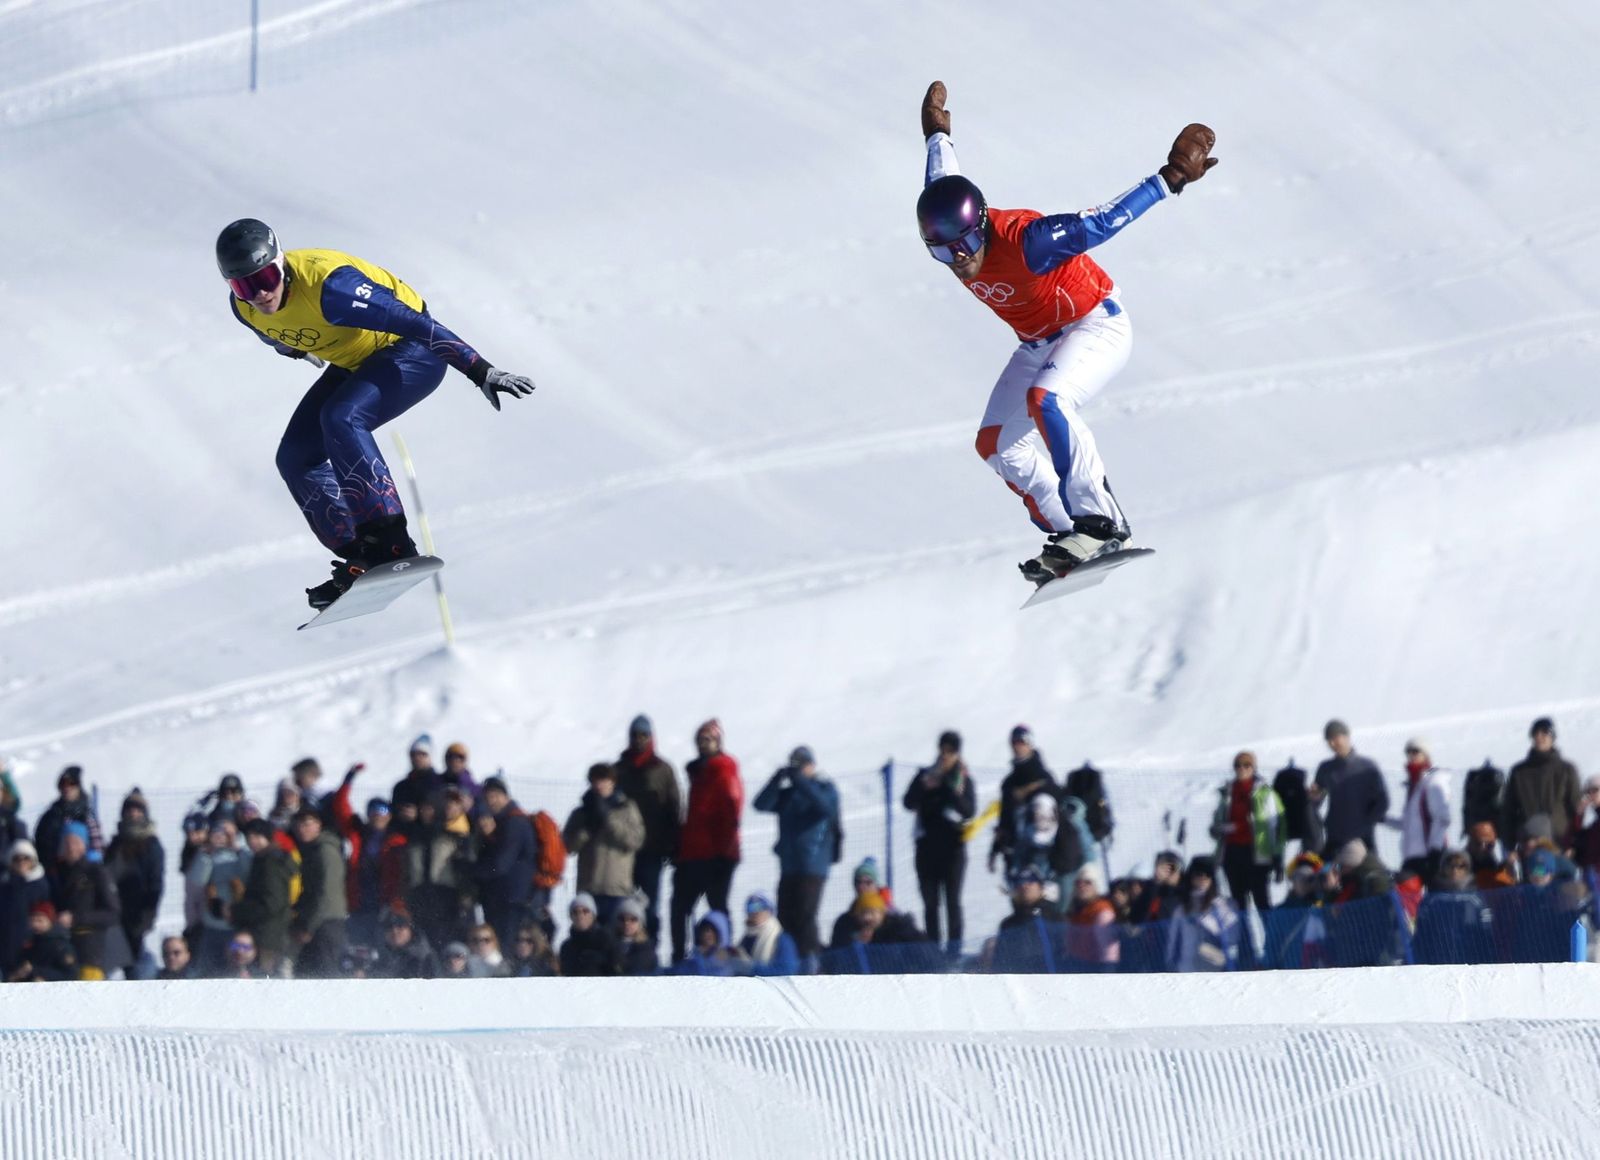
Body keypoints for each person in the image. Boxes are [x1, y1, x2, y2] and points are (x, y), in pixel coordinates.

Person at [915, 81, 1217, 584]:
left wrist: (1171, 178)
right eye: (942, 253)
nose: (959, 261)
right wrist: (935, 132)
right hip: (1039, 340)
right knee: (994, 445)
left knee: (1047, 399)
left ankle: (1101, 522)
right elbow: (941, 175)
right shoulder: (952, 224)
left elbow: (1103, 222)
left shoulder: (1029, 242)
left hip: (1095, 321)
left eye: (965, 245)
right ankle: (1069, 532)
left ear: (983, 225)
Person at [215, 218, 536, 606]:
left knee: (342, 417)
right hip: (356, 361)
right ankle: (362, 557)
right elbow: (278, 335)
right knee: (296, 458)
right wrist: (295, 349)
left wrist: (480, 370)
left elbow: (420, 324)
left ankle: (391, 544)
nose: (261, 292)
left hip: (413, 352)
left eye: (265, 277)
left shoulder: (331, 287)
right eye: (244, 285)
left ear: (281, 263)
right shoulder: (244, 310)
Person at [752, 745, 841, 966]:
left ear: (812, 765)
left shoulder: (825, 788)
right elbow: (760, 804)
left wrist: (801, 781)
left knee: (805, 915)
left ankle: (811, 962)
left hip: (813, 865)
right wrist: (776, 779)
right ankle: (789, 962)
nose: (797, 769)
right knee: (785, 917)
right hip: (789, 865)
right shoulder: (788, 795)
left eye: (801, 764)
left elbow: (826, 808)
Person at [670, 720, 743, 963]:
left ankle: (723, 956)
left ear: (718, 742)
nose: (704, 744)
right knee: (680, 907)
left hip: (716, 854)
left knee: (717, 906)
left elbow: (729, 815)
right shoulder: (699, 773)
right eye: (700, 740)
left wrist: (725, 853)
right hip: (692, 853)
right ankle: (681, 957)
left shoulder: (723, 771)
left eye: (708, 740)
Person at [903, 729, 977, 954]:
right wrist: (924, 786)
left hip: (953, 849)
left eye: (951, 750)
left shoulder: (962, 779)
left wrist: (946, 787)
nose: (945, 755)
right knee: (930, 904)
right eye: (943, 749)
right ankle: (933, 952)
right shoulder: (926, 775)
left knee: (953, 902)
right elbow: (908, 802)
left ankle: (954, 951)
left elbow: (968, 810)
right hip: (926, 849)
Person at [614, 714, 680, 950]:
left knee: (651, 905)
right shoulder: (619, 769)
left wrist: (674, 845)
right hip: (624, 851)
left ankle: (649, 949)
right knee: (623, 904)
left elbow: (674, 808)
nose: (639, 739)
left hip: (653, 849)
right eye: (635, 735)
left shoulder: (662, 770)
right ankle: (623, 954)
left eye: (644, 735)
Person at [562, 762, 646, 925]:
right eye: (595, 781)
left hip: (617, 888)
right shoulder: (581, 812)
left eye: (604, 780)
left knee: (614, 939)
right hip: (588, 888)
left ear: (613, 782)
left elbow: (635, 841)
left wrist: (609, 820)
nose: (599, 785)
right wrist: (586, 832)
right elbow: (567, 846)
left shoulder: (626, 809)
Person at [1208, 751, 1285, 922]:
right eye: (1238, 765)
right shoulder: (1227, 792)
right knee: (1239, 906)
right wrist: (1218, 829)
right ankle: (1246, 947)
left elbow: (1279, 826)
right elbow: (1216, 822)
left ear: (1254, 767)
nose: (1242, 769)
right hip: (1232, 854)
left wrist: (1278, 856)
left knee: (1262, 903)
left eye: (1246, 765)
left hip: (1257, 854)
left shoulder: (1265, 793)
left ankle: (1274, 945)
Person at [104, 788, 165, 980]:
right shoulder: (116, 844)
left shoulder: (152, 845)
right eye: (129, 810)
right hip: (114, 912)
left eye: (138, 810)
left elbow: (156, 881)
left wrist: (149, 912)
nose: (133, 814)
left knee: (135, 961)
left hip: (138, 912)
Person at [50, 821, 120, 980]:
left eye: (75, 842)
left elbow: (112, 913)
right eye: (67, 842)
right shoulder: (57, 873)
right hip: (63, 953)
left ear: (84, 844)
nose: (71, 847)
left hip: (91, 952)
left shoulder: (96, 872)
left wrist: (76, 918)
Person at [1310, 719, 1389, 859]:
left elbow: (1382, 801)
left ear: (1346, 737)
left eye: (1335, 738)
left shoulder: (1367, 767)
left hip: (1363, 839)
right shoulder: (1326, 768)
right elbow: (1316, 800)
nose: (1332, 743)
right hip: (1335, 837)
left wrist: (1366, 824)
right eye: (1329, 740)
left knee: (1366, 877)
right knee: (1328, 878)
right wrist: (1314, 798)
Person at [1502, 717, 1583, 851]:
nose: (1540, 737)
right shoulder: (1520, 771)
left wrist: (1574, 843)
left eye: (1545, 733)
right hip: (1528, 843)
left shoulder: (1566, 769)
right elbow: (1508, 811)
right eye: (1536, 733)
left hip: (1560, 841)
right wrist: (1509, 845)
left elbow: (1576, 809)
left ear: (1552, 738)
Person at [988, 725, 1057, 878]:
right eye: (1014, 742)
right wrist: (995, 848)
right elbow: (1005, 818)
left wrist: (1030, 791)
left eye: (1022, 742)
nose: (1018, 746)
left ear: (1030, 744)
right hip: (1015, 852)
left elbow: (1055, 807)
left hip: (1043, 852)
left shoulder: (1043, 776)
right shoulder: (1009, 783)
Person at [231, 819, 295, 977]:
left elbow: (272, 903)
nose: (252, 841)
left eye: (257, 836)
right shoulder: (262, 859)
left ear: (267, 837)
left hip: (270, 934)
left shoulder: (271, 862)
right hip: (264, 931)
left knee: (266, 980)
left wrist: (237, 910)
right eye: (249, 837)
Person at [291, 807, 349, 978]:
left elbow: (325, 893)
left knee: (326, 975)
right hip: (315, 919)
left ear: (318, 825)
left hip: (326, 921)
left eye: (307, 824)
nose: (302, 829)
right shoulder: (310, 850)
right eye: (298, 825)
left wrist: (308, 927)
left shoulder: (325, 851)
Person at [1383, 738, 1451, 883]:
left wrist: (1435, 850)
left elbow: (1442, 818)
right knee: (1407, 897)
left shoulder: (1433, 782)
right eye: (1408, 752)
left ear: (1425, 755)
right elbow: (1407, 824)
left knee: (1436, 898)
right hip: (1412, 856)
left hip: (1430, 855)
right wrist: (1383, 819)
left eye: (1416, 751)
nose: (1411, 756)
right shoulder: (1413, 785)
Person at [1165, 856, 1240, 972]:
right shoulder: (1182, 908)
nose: (1202, 879)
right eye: (1198, 875)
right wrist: (1170, 963)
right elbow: (1172, 940)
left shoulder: (1222, 905)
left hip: (1215, 968)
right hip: (1187, 969)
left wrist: (1206, 924)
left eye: (1207, 876)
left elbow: (1233, 936)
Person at [734, 892, 801, 977]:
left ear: (769, 911)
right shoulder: (746, 939)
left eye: (759, 908)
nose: (755, 913)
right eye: (750, 909)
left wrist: (752, 968)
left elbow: (787, 971)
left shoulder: (782, 939)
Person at [558, 893, 617, 977]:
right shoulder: (566, 947)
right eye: (575, 912)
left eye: (585, 911)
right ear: (571, 916)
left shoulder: (607, 941)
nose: (580, 915)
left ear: (593, 915)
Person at [612, 896, 658, 976]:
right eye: (622, 919)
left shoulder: (647, 950)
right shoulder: (608, 945)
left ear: (640, 924)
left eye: (633, 919)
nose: (626, 923)